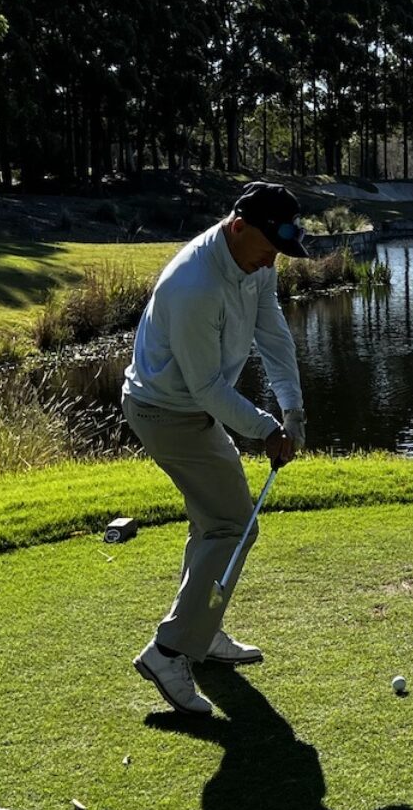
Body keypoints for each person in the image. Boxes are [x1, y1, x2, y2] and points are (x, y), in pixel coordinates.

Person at [123, 181, 310, 715]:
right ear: (238, 226)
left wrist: (293, 409)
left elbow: (272, 334)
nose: (272, 261)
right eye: (268, 249)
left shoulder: (256, 261)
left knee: (214, 525)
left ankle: (199, 633)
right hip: (165, 411)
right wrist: (266, 429)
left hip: (189, 407)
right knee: (233, 525)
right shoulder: (195, 284)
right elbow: (206, 387)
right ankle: (167, 652)